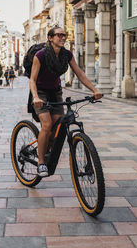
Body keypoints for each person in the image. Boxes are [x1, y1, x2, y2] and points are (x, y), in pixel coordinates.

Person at [30, 26, 102, 177]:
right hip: (41, 92)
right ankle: (41, 162)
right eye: (59, 35)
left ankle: (47, 148)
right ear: (50, 38)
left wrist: (94, 90)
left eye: (65, 35)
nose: (63, 38)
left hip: (55, 93)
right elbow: (33, 80)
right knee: (47, 125)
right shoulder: (40, 55)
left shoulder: (67, 55)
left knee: (56, 128)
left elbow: (80, 74)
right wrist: (36, 97)